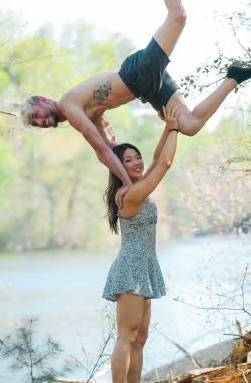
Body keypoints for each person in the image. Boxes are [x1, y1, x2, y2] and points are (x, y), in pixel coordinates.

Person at [20, 0, 251, 205]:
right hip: (148, 89)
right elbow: (112, 148)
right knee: (190, 126)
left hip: (136, 74)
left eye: (37, 116)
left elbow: (102, 152)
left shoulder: (70, 108)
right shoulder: (83, 110)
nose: (41, 122)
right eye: (37, 124)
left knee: (177, 16)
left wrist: (127, 184)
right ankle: (233, 77)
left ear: (43, 100)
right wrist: (129, 180)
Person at [102, 105, 179, 383]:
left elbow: (159, 157)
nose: (136, 162)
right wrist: (176, 127)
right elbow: (165, 164)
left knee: (140, 337)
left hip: (144, 268)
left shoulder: (137, 188)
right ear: (117, 167)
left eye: (137, 157)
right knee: (126, 336)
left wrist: (168, 127)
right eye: (128, 160)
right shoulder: (132, 195)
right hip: (131, 270)